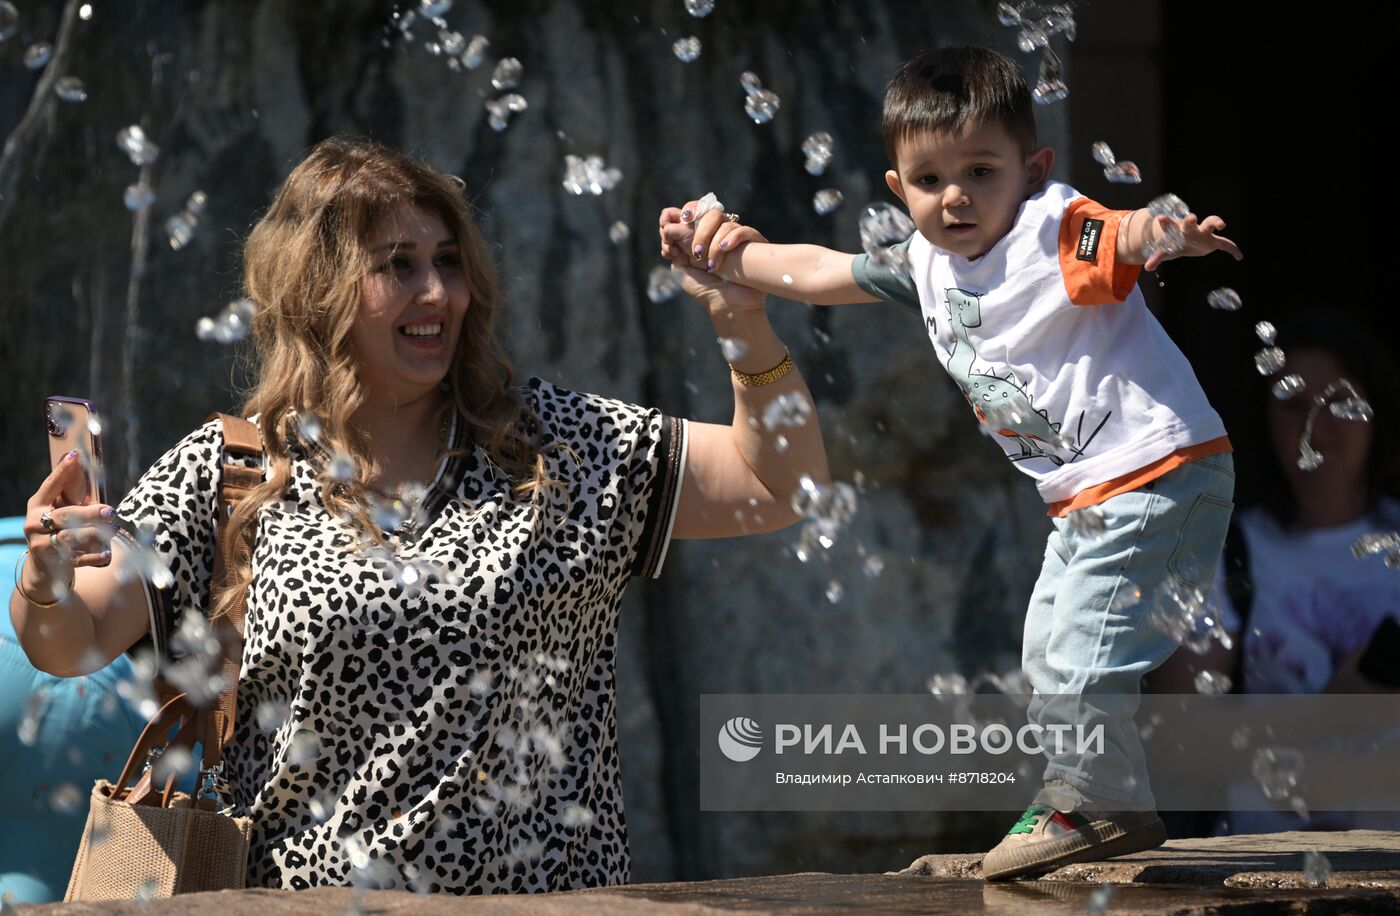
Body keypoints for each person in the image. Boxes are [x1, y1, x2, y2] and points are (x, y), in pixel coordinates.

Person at [8, 136, 825, 894]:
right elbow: (71, 642)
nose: (438, 292)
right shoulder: (232, 471)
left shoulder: (556, 448)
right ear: (318, 287)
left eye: (448, 261)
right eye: (397, 265)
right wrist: (44, 579)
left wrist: (740, 321)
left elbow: (779, 484)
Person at [657, 46, 1242, 880]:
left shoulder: (1052, 229)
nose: (956, 196)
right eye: (930, 180)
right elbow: (827, 273)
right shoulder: (930, 263)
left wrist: (1165, 234)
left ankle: (1097, 803)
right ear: (899, 190)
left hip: (1162, 469)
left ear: (1032, 169)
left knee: (1077, 652)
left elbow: (1123, 230)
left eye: (981, 170)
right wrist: (730, 261)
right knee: (1047, 651)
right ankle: (1091, 796)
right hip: (1087, 493)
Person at [1146, 314, 1400, 835]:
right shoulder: (1225, 552)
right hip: (1265, 864)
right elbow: (1177, 742)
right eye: (1293, 406)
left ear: (1378, 412)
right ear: (1263, 423)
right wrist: (1339, 706)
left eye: (1338, 402)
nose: (1317, 427)